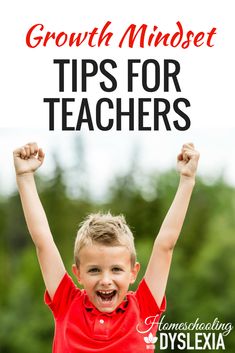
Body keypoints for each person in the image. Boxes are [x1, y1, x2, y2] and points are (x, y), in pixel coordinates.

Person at [13, 142, 199, 353]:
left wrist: (187, 180)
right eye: (94, 270)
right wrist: (25, 177)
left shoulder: (144, 308)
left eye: (116, 269)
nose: (106, 280)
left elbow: (165, 244)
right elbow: (43, 241)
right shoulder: (67, 303)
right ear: (78, 273)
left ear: (133, 272)